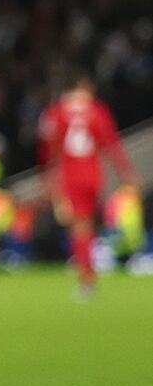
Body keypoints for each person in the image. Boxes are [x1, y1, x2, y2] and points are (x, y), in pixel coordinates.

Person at [38, 74, 137, 298]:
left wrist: (47, 180)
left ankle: (86, 278)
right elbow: (112, 145)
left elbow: (48, 151)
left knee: (79, 227)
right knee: (88, 224)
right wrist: (127, 173)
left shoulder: (56, 112)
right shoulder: (98, 111)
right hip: (93, 175)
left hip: (70, 177)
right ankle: (89, 270)